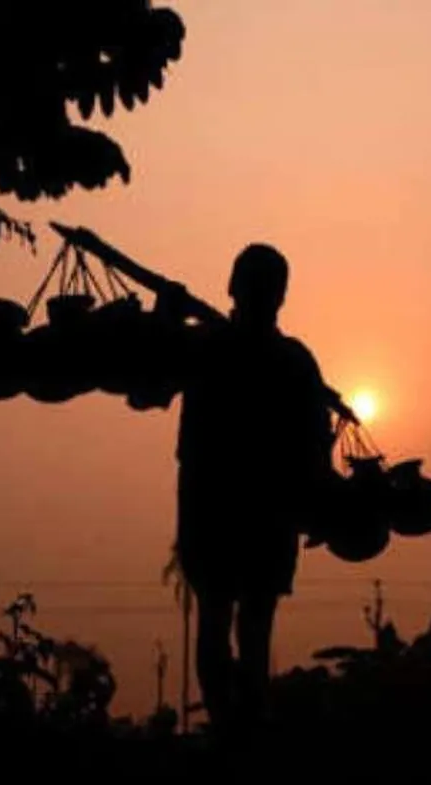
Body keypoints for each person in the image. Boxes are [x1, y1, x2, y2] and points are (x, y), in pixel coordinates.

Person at [170, 243, 337, 736]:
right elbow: (318, 449)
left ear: (232, 288)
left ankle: (235, 722)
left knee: (225, 616)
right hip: (237, 508)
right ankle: (240, 721)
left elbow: (144, 390)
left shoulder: (209, 347)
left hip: (228, 509)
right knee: (245, 618)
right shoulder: (284, 360)